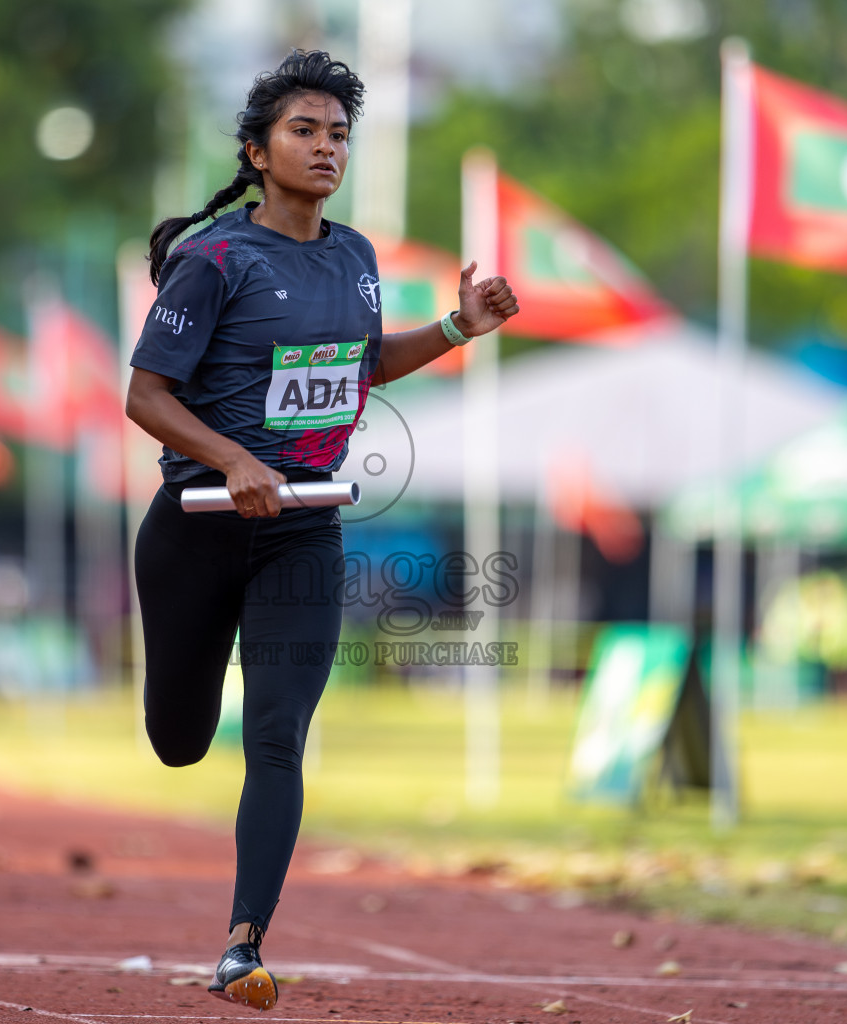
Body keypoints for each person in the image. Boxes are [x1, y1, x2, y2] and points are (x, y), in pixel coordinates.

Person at [125, 49, 518, 1012]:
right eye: (305, 130)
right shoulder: (211, 258)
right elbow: (145, 394)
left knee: (278, 738)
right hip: (199, 525)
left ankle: (241, 946)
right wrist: (231, 460)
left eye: (339, 132)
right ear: (258, 151)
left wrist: (457, 328)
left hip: (305, 529)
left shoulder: (357, 256)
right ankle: (183, 718)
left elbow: (359, 366)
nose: (326, 147)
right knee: (179, 742)